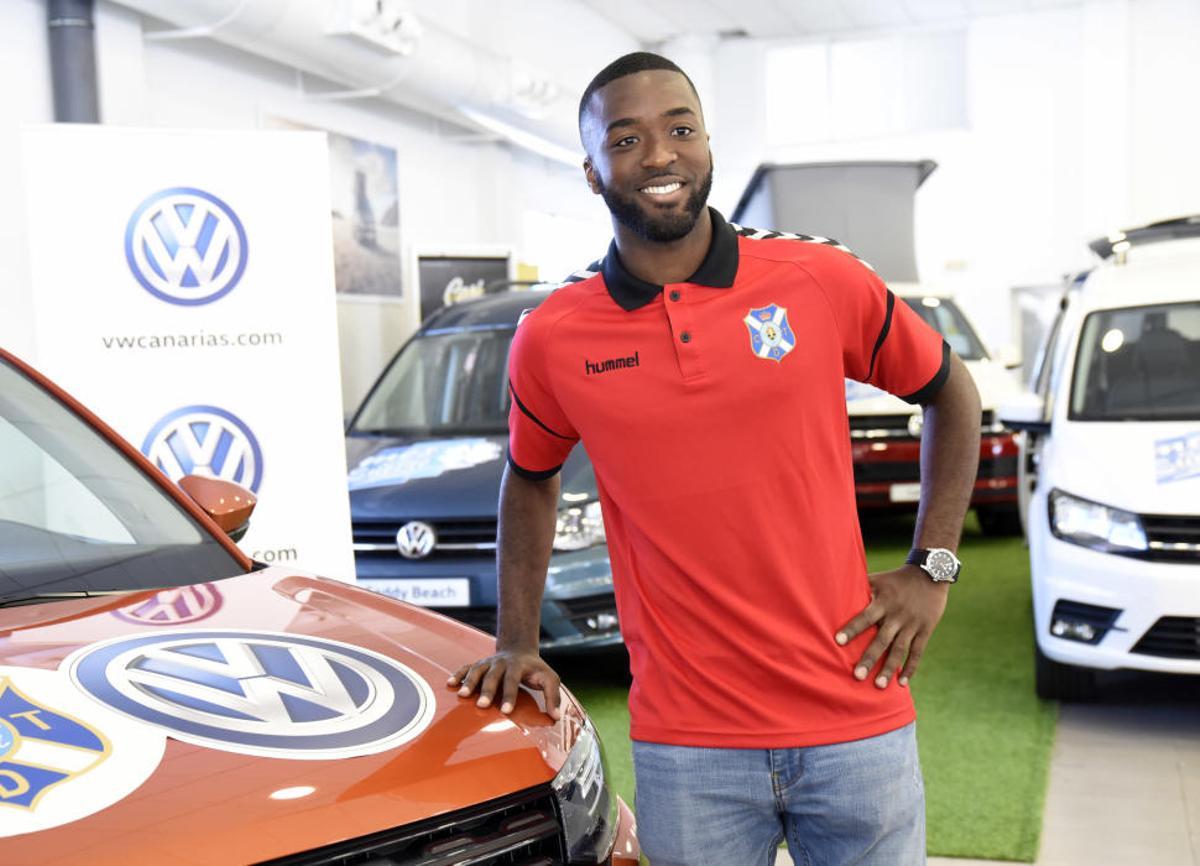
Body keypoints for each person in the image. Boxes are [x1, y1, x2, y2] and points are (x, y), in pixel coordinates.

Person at [451, 51, 982, 866]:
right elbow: (530, 475)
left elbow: (951, 392)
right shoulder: (554, 337)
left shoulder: (816, 276)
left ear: (707, 146)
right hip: (687, 744)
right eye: (624, 140)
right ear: (591, 172)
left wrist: (932, 566)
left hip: (855, 718)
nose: (658, 155)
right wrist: (517, 639)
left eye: (680, 130)